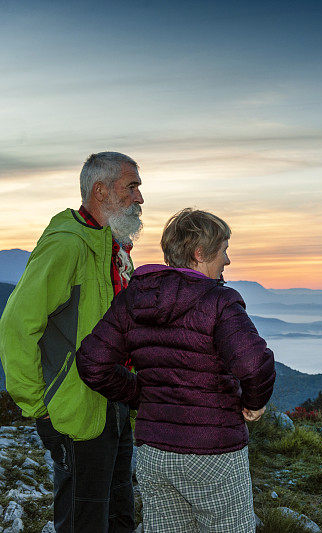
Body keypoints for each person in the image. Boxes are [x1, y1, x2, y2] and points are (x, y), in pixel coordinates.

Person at [76, 208, 276, 533]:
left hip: (155, 453)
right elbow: (254, 363)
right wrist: (253, 404)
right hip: (214, 450)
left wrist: (140, 393)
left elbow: (92, 362)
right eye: (224, 249)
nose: (227, 260)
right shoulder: (219, 301)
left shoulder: (133, 299)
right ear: (200, 253)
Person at [0, 152, 143, 532]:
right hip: (74, 413)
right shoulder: (69, 245)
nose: (140, 199)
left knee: (118, 515)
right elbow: (16, 325)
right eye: (132, 187)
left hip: (112, 405)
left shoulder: (108, 244)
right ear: (100, 190)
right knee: (84, 521)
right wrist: (39, 408)